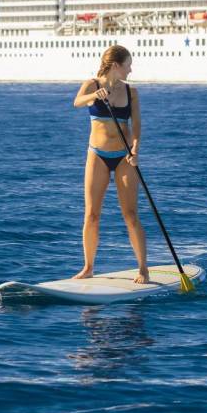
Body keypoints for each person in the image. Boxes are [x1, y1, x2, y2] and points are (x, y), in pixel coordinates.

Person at [70, 45, 149, 283]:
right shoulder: (91, 84)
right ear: (116, 65)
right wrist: (95, 96)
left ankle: (143, 269)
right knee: (91, 215)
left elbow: (136, 126)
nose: (130, 70)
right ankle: (88, 267)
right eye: (128, 65)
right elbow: (77, 102)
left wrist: (135, 150)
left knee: (130, 214)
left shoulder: (131, 92)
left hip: (124, 156)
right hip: (97, 155)